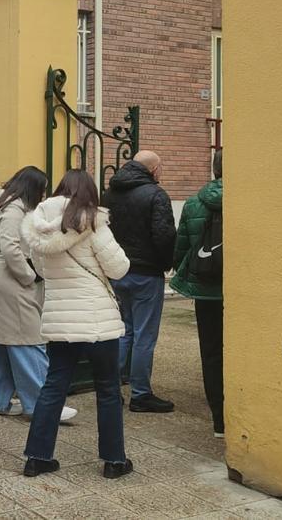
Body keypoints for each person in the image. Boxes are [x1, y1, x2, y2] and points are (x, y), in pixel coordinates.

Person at [19, 169, 133, 479]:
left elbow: (41, 269)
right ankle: (114, 461)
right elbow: (119, 268)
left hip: (60, 319)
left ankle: (37, 457)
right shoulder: (93, 222)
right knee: (108, 388)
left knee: (54, 385)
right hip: (97, 319)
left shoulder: (39, 229)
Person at [0, 166, 78, 424]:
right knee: (28, 339)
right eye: (42, 189)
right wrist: (30, 276)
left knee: (6, 342)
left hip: (8, 277)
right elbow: (12, 248)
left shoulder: (9, 205)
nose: (44, 195)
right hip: (14, 278)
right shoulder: (13, 209)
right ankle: (42, 405)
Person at [102, 150, 177, 413]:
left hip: (117, 271)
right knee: (145, 335)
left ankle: (111, 390)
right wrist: (166, 263)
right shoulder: (156, 195)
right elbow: (164, 236)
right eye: (160, 167)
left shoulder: (109, 193)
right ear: (153, 170)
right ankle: (141, 394)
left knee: (124, 331)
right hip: (146, 273)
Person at [171, 150, 225, 437]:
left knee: (211, 352)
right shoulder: (249, 200)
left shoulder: (193, 203)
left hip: (204, 290)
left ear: (214, 169)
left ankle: (219, 418)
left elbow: (182, 247)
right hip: (237, 290)